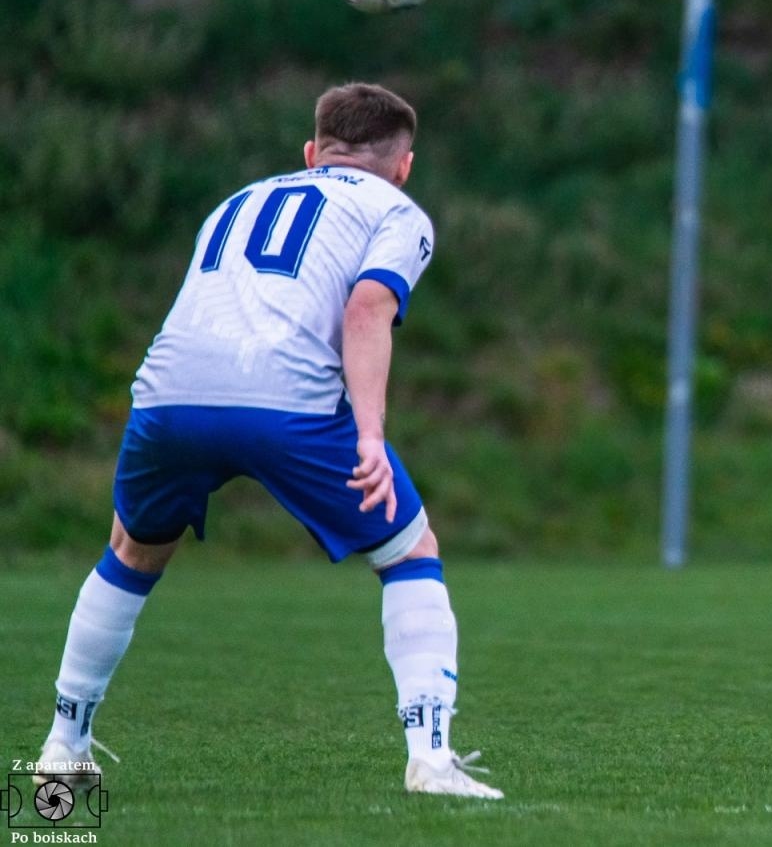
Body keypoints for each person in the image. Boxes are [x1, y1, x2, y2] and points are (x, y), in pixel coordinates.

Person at [31, 83, 502, 799]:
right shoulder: (396, 210)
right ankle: (430, 760)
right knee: (410, 552)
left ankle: (64, 745)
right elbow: (367, 307)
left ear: (311, 154)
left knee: (131, 549)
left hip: (168, 395)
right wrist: (370, 433)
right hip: (287, 401)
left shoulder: (237, 200)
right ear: (404, 166)